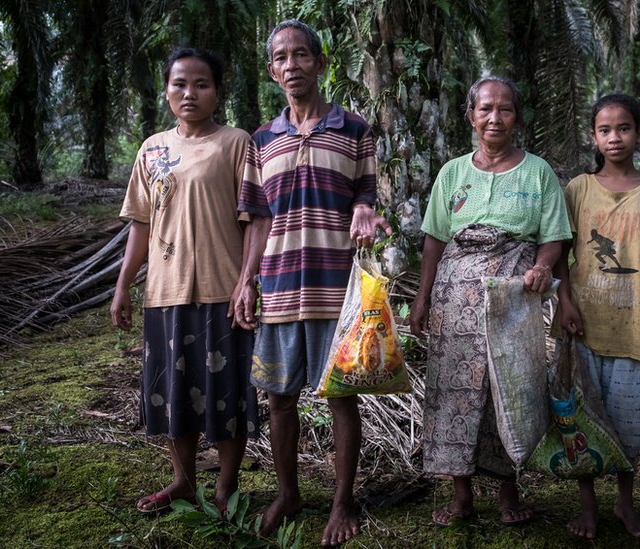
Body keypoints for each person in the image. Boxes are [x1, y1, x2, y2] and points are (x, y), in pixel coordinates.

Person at [232, 19, 391, 547]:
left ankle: (343, 501)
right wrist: (246, 281)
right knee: (279, 398)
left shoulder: (355, 130)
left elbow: (365, 195)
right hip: (279, 286)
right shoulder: (261, 140)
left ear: (321, 64)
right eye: (281, 57)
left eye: (301, 55)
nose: (292, 65)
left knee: (341, 397)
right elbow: (257, 218)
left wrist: (364, 210)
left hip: (336, 289)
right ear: (271, 71)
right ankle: (289, 494)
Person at [409, 75, 572, 527]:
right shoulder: (452, 173)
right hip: (453, 301)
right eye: (485, 108)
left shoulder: (538, 172)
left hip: (512, 298)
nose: (494, 117)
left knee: (509, 387)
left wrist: (542, 266)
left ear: (516, 117)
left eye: (505, 109)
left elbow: (555, 236)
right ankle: (461, 496)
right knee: (454, 391)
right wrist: (422, 298)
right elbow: (434, 239)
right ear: (471, 116)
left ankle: (508, 492)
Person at [110, 47, 258, 514]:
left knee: (227, 393)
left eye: (201, 84)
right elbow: (141, 224)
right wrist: (123, 284)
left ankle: (226, 486)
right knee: (174, 393)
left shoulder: (236, 144)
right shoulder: (152, 149)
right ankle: (184, 482)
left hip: (223, 289)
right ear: (166, 91)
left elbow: (254, 219)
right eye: (180, 84)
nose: (189, 93)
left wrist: (247, 281)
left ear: (217, 92)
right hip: (165, 291)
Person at [552, 93, 640, 540]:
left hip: (631, 331)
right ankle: (588, 508)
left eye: (624, 128)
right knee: (582, 420)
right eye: (605, 130)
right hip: (582, 327)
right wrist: (565, 302)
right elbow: (559, 251)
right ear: (593, 137)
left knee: (628, 426)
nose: (614, 137)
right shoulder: (577, 189)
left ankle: (625, 505)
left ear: (638, 132)